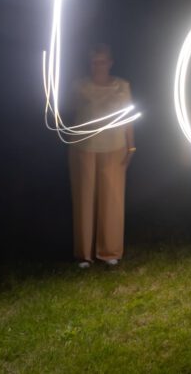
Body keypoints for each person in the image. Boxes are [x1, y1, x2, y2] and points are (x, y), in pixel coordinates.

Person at [69, 43, 136, 268]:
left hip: (115, 146)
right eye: (94, 61)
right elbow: (71, 111)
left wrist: (131, 147)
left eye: (102, 60)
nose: (98, 65)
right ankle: (85, 253)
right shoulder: (79, 86)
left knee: (113, 199)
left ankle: (109, 251)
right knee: (84, 200)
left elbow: (128, 117)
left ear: (110, 62)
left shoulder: (122, 86)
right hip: (84, 146)